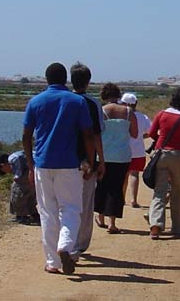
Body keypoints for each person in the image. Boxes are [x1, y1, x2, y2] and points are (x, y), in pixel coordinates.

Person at [22, 62, 95, 275]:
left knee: (47, 212)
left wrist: (30, 163)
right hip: (69, 164)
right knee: (71, 209)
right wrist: (90, 161)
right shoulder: (77, 101)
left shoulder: (35, 101)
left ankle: (53, 262)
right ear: (66, 80)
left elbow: (26, 135)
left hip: (43, 164)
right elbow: (88, 135)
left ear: (46, 79)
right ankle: (65, 246)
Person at [146, 86, 180, 240]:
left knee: (159, 191)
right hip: (179, 156)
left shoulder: (162, 114)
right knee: (177, 190)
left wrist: (161, 139)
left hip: (161, 154)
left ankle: (155, 226)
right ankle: (177, 227)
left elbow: (151, 133)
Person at [69, 62, 104, 261]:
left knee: (64, 205)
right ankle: (78, 245)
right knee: (84, 205)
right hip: (86, 161)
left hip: (63, 160)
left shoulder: (64, 100)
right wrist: (100, 161)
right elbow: (97, 136)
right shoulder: (92, 104)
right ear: (88, 82)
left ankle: (65, 243)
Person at [94, 84, 136, 233]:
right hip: (122, 156)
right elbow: (135, 133)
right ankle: (112, 223)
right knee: (116, 188)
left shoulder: (101, 111)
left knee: (101, 186)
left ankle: (100, 217)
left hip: (103, 155)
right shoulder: (128, 111)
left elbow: (95, 132)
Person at [121, 93, 150, 208]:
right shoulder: (143, 117)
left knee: (124, 175)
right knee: (135, 174)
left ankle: (122, 198)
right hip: (138, 151)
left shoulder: (122, 115)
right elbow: (151, 131)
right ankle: (134, 199)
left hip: (123, 150)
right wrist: (141, 137)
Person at [0, 150, 37, 225]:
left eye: (4, 170)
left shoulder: (12, 158)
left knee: (17, 191)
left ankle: (22, 216)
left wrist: (18, 176)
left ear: (3, 165)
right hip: (38, 167)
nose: (7, 172)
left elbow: (18, 160)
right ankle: (33, 214)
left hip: (32, 169)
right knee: (30, 192)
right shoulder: (15, 158)